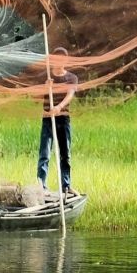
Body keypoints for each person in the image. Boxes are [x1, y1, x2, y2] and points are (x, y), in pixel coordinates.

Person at [37, 47, 78, 196]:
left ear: (65, 61)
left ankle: (66, 186)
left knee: (65, 153)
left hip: (63, 118)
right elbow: (37, 95)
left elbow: (70, 94)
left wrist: (59, 107)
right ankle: (41, 185)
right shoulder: (46, 76)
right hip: (48, 118)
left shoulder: (71, 78)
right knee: (45, 153)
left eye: (61, 59)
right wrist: (46, 87)